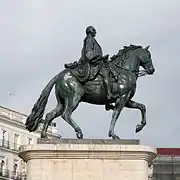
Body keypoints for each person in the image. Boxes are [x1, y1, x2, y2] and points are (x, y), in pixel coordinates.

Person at [65, 26, 117, 100]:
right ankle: (108, 94)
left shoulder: (90, 39)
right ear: (90, 31)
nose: (95, 32)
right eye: (94, 30)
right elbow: (88, 52)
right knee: (105, 73)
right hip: (93, 62)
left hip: (95, 61)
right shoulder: (89, 39)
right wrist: (100, 58)